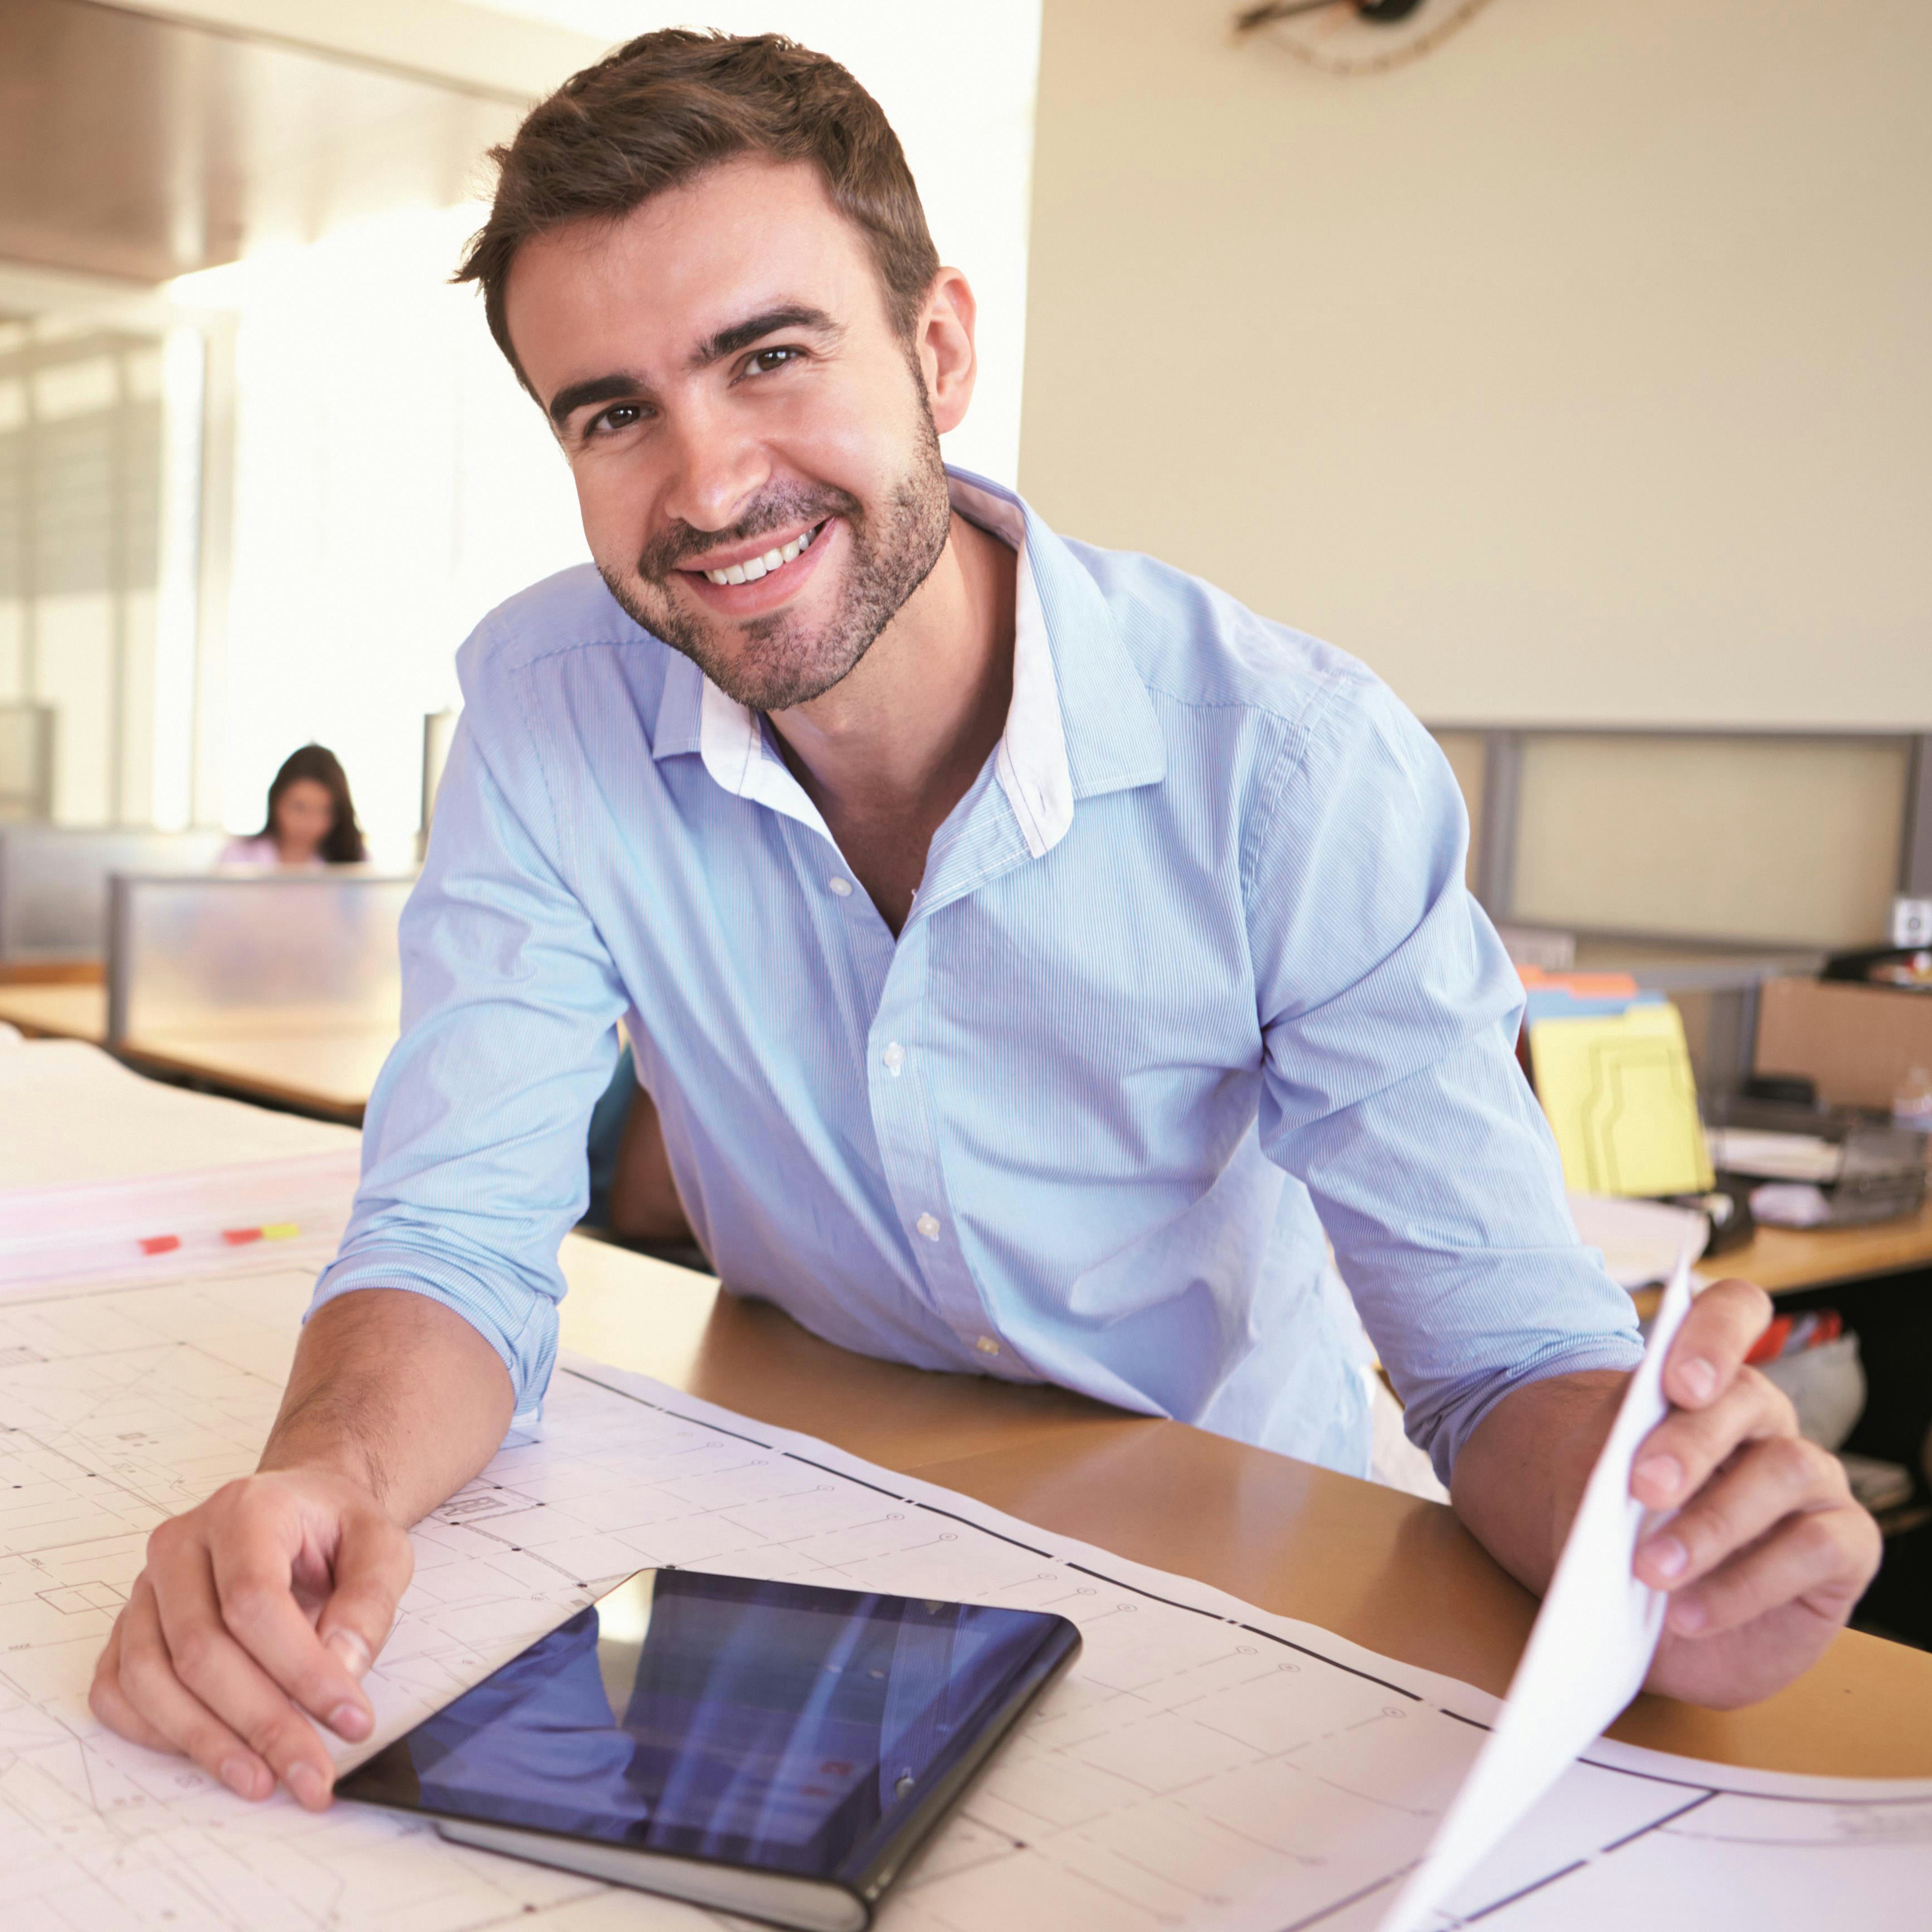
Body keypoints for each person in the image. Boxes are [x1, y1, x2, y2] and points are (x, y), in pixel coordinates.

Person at [91, 31, 1879, 1813]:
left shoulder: (1287, 763)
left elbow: (1502, 1364)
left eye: (770, 355)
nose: (704, 486)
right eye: (614, 413)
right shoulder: (547, 710)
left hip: (1242, 1556)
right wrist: (330, 1475)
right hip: (813, 1512)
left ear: (939, 347)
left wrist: (1668, 1543)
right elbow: (455, 1234)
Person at [219, 744, 368, 866]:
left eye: (324, 811)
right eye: (299, 808)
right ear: (276, 801)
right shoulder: (236, 858)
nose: (309, 822)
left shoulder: (357, 863)